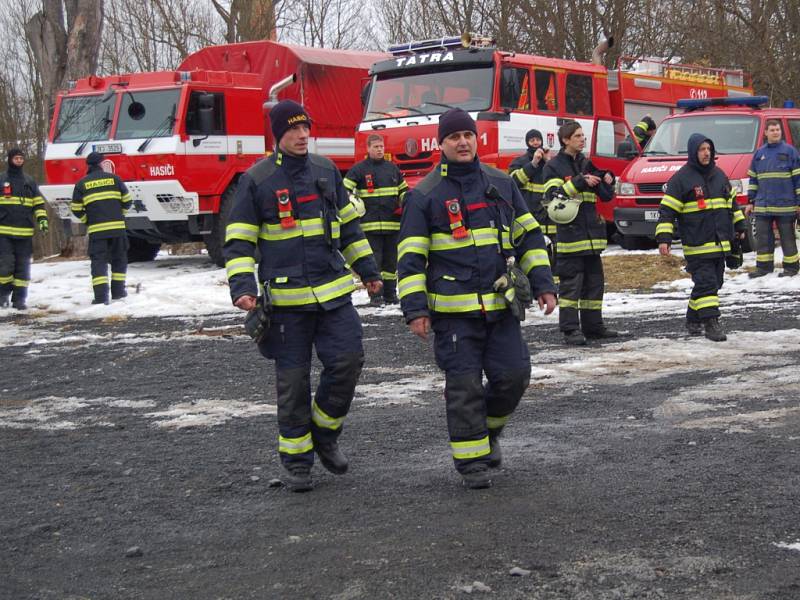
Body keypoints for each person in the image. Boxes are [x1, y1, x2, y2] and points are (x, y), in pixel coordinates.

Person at [224, 100, 382, 493]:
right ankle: (296, 461)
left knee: (347, 361)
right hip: (286, 305)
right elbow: (238, 242)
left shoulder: (326, 170)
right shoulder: (257, 180)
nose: (302, 135)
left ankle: (324, 434)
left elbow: (349, 229)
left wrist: (368, 271)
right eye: (293, 129)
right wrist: (243, 288)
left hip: (332, 297)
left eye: (305, 128)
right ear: (278, 134)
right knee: (293, 384)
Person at [397, 108, 557, 489]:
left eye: (468, 135)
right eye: (454, 137)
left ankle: (486, 434)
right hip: (454, 316)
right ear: (441, 144)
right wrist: (414, 310)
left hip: (501, 307)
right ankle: (471, 463)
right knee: (465, 386)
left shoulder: (501, 183)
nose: (463, 142)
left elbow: (530, 238)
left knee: (514, 376)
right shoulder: (425, 195)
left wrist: (544, 284)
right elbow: (411, 258)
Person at [656, 133, 747, 342]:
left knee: (715, 283)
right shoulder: (681, 179)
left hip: (720, 243)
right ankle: (711, 324)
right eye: (701, 150)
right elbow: (667, 211)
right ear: (693, 152)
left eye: (708, 149)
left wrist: (740, 225)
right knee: (706, 283)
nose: (706, 153)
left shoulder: (720, 175)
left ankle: (693, 318)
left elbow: (732, 204)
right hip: (697, 245)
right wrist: (664, 237)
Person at [542, 121, 618, 346]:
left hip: (592, 238)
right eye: (577, 136)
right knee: (571, 286)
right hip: (570, 238)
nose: (582, 139)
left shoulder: (587, 163)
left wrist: (607, 179)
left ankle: (593, 327)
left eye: (582, 135)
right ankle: (570, 330)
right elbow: (551, 196)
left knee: (595, 284)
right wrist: (578, 182)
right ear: (565, 140)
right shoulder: (554, 167)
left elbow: (605, 196)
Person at [343, 134, 408, 306]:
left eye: (381, 147)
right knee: (374, 261)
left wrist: (405, 202)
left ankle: (390, 294)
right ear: (368, 148)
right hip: (369, 226)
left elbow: (404, 191)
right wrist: (353, 201)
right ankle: (376, 295)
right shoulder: (359, 169)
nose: (379, 149)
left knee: (390, 262)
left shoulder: (392, 169)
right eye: (376, 147)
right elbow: (343, 190)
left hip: (392, 224)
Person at [70, 152, 132, 304]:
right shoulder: (115, 179)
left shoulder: (82, 184)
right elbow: (128, 201)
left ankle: (100, 297)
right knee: (119, 260)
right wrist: (119, 215)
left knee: (99, 263)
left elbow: (76, 208)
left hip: (97, 231)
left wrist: (88, 220)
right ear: (101, 164)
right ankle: (118, 293)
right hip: (118, 229)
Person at [745, 119, 800, 278]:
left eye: (778, 130)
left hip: (786, 206)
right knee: (763, 239)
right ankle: (763, 268)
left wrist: (799, 202)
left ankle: (791, 268)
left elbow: (798, 179)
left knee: (787, 238)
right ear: (766, 133)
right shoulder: (759, 153)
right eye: (773, 130)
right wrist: (750, 201)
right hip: (763, 206)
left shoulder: (790, 152)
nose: (776, 132)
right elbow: (753, 179)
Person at [0, 148, 48, 310]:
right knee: (5, 266)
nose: (19, 161)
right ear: (10, 160)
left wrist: (42, 219)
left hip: (25, 232)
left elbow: (38, 204)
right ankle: (3, 294)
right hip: (4, 232)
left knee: (23, 268)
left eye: (21, 158)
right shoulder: (1, 179)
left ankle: (19, 299)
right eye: (16, 158)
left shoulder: (29, 181)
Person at [509, 129, 557, 276]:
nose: (536, 143)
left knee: (553, 255)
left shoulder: (550, 162)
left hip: (549, 217)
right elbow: (513, 182)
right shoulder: (520, 162)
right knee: (532, 253)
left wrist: (549, 162)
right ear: (527, 142)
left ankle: (552, 287)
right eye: (532, 140)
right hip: (529, 216)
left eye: (538, 140)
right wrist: (533, 164)